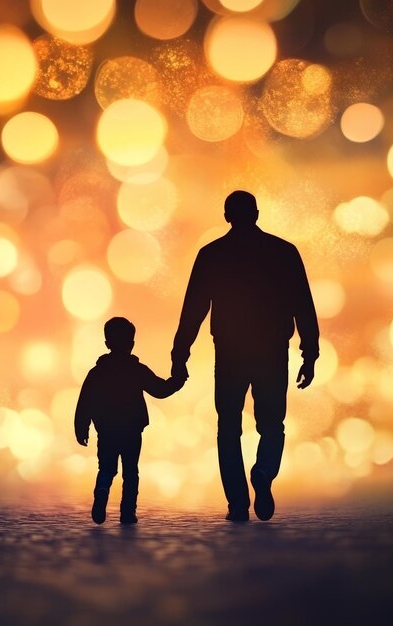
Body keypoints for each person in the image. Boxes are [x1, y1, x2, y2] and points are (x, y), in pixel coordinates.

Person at [171, 190, 319, 522]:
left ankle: (237, 503)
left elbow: (193, 309)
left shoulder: (212, 255)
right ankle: (265, 470)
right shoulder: (283, 252)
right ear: (256, 213)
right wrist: (310, 353)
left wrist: (180, 354)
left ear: (227, 217)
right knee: (272, 424)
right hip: (272, 351)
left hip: (230, 352)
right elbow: (303, 305)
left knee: (228, 428)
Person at [75, 317, 185, 524]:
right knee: (131, 471)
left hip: (106, 429)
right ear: (131, 344)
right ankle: (128, 512)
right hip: (131, 429)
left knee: (106, 468)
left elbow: (85, 402)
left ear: (107, 344)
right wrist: (177, 381)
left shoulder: (97, 373)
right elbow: (160, 390)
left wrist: (81, 427)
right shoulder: (137, 370)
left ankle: (102, 489)